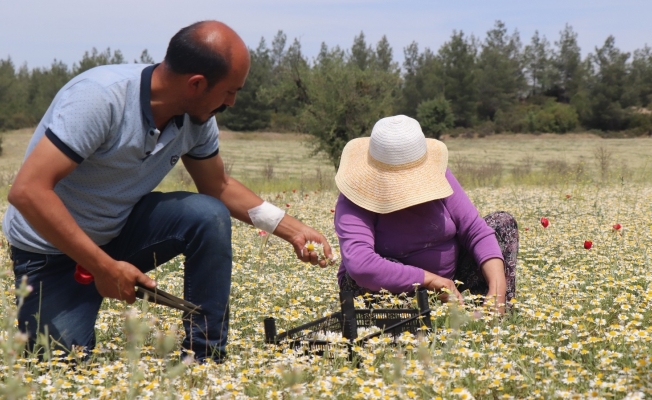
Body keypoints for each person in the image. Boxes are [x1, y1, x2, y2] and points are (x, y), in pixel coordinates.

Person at [4, 20, 332, 363]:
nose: (232, 102)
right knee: (61, 366)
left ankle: (205, 359)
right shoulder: (100, 98)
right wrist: (104, 267)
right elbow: (27, 192)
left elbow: (218, 186)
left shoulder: (198, 119)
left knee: (207, 215)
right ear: (196, 84)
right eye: (230, 91)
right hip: (50, 253)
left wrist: (294, 230)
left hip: (119, 231)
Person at [334, 115, 517, 313]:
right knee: (370, 274)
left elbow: (475, 230)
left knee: (502, 223)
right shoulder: (356, 193)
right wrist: (430, 281)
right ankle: (415, 319)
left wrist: (497, 292)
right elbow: (362, 265)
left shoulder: (438, 174)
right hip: (387, 292)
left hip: (451, 285)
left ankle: (492, 313)